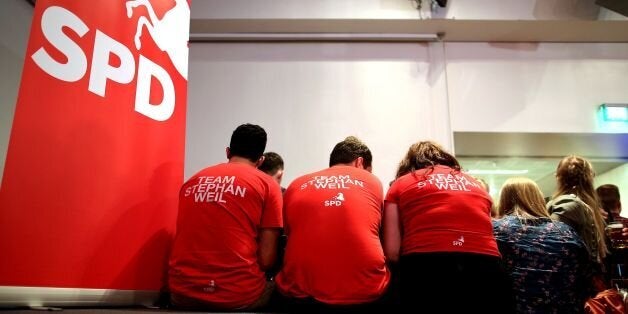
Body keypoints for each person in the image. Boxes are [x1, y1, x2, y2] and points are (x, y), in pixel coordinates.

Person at [383, 141, 514, 313]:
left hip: (427, 268)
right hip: (487, 269)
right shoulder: (476, 185)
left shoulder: (401, 183)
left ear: (410, 163)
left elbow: (392, 251)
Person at [168, 123, 283, 311]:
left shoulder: (192, 181)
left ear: (228, 152)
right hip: (238, 296)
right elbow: (266, 259)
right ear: (260, 160)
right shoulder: (268, 185)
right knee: (285, 288)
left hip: (182, 293)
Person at [275, 136, 391, 311]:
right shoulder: (372, 181)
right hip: (365, 288)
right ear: (360, 163)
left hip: (300, 290)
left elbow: (289, 234)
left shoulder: (296, 184)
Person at [493, 177, 592, 313]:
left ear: (504, 200)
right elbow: (585, 275)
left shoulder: (496, 230)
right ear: (539, 199)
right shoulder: (565, 231)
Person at [546, 155, 608, 292]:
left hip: (576, 283)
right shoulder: (570, 204)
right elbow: (554, 243)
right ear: (589, 177)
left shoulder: (578, 205)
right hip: (575, 286)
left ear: (559, 178)